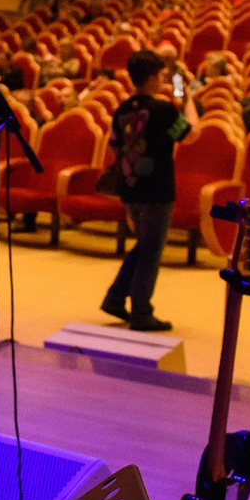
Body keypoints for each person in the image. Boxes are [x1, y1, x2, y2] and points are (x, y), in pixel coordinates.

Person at [99, 52, 194, 333]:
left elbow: (114, 146)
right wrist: (189, 102)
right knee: (151, 251)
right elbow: (190, 134)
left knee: (144, 245)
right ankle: (141, 312)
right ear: (152, 77)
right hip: (157, 189)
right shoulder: (163, 109)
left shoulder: (122, 109)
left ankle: (115, 298)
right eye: (162, 76)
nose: (164, 80)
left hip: (130, 187)